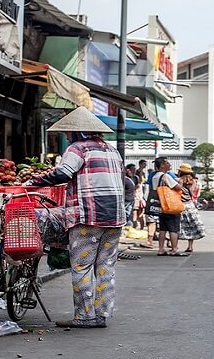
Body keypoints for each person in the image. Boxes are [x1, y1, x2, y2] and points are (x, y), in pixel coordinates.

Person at [28, 106, 124, 329]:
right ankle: (101, 314)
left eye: (68, 133)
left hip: (87, 217)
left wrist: (36, 181)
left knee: (81, 267)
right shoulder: (111, 150)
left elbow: (63, 173)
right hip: (115, 218)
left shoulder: (78, 148)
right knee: (105, 267)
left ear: (77, 132)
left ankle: (84, 316)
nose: (67, 136)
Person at [150, 157, 188, 257]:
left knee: (162, 228)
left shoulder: (154, 176)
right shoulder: (165, 176)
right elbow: (178, 187)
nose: (169, 164)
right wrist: (180, 182)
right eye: (167, 163)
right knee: (173, 228)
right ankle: (174, 249)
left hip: (160, 205)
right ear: (162, 165)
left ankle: (161, 249)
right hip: (169, 205)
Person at [176, 164, 205, 253]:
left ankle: (174, 245)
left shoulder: (178, 181)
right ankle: (190, 246)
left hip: (180, 205)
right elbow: (193, 194)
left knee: (177, 227)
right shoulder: (193, 182)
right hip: (190, 205)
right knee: (191, 226)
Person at [123, 164, 137, 229]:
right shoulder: (124, 180)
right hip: (126, 200)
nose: (134, 171)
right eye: (132, 170)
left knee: (129, 215)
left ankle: (129, 228)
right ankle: (127, 227)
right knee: (126, 215)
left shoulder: (133, 178)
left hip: (131, 200)